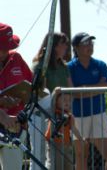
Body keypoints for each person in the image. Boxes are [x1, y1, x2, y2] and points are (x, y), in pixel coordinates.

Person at [68, 32, 107, 170]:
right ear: (76, 47)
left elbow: (105, 87)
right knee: (81, 156)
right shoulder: (69, 67)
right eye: (85, 43)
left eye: (91, 43)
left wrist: (83, 89)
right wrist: (96, 87)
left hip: (99, 114)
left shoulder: (101, 65)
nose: (90, 46)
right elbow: (74, 93)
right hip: (78, 117)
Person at [30, 32, 72, 170]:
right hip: (40, 115)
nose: (66, 46)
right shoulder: (40, 66)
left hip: (59, 118)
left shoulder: (64, 67)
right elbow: (37, 92)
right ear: (53, 46)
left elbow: (70, 89)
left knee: (57, 156)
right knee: (38, 155)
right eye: (63, 43)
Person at [0, 22, 32, 169]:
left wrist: (22, 98)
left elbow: (34, 88)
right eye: (3, 47)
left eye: (9, 47)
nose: (6, 51)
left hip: (15, 128)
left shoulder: (16, 59)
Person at [45, 91, 83, 170]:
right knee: (56, 166)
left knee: (68, 166)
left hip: (66, 145)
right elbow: (52, 101)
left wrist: (80, 138)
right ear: (57, 102)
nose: (67, 102)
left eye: (69, 100)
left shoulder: (69, 116)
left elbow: (73, 128)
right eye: (64, 100)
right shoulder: (54, 112)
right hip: (55, 145)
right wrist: (55, 93)